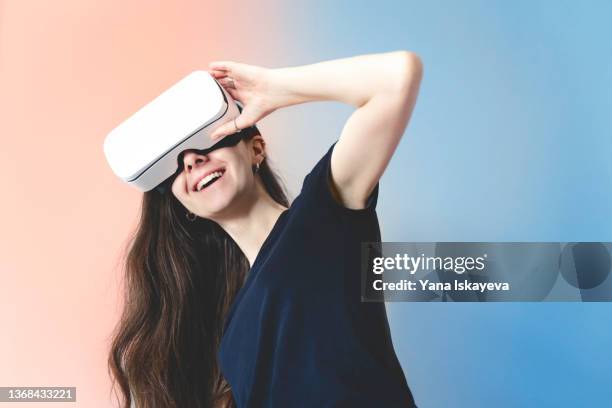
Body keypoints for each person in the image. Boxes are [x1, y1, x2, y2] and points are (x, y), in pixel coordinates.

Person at [108, 50, 424, 408]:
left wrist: (276, 87)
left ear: (256, 148)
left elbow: (396, 77)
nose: (192, 159)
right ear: (183, 205)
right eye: (176, 165)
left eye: (209, 142)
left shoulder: (320, 215)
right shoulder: (232, 337)